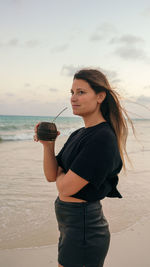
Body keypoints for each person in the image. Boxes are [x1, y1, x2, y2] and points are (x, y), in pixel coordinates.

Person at [34, 68, 133, 267]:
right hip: (70, 225)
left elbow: (65, 188)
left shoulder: (102, 138)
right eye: (72, 92)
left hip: (84, 228)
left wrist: (63, 175)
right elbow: (51, 175)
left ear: (100, 96)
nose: (73, 98)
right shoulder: (79, 134)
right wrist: (48, 145)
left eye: (81, 92)